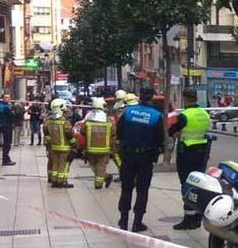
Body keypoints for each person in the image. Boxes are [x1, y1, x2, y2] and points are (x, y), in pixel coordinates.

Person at [116, 87, 164, 232]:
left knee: (126, 188)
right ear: (152, 97)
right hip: (146, 157)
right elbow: (159, 139)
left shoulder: (128, 112)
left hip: (128, 155)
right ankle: (137, 222)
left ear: (139, 97)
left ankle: (123, 220)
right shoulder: (156, 116)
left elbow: (119, 133)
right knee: (142, 190)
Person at [168, 89, 211, 230]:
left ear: (185, 98)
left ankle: (188, 219)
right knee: (199, 184)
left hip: (186, 153)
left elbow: (171, 130)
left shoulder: (185, 116)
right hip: (202, 153)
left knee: (187, 185)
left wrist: (175, 132)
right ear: (196, 98)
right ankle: (198, 216)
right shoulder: (205, 113)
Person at [83, 97, 115, 190]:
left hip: (90, 148)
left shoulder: (88, 121)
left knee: (93, 165)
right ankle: (102, 180)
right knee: (100, 166)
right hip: (104, 149)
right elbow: (113, 133)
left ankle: (99, 183)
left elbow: (82, 131)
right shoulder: (108, 121)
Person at [44, 98, 74, 188]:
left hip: (54, 147)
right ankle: (62, 182)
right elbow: (69, 134)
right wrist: (75, 144)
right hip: (64, 147)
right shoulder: (65, 121)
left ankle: (54, 181)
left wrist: (50, 143)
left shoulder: (48, 120)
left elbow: (46, 132)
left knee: (55, 164)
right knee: (63, 165)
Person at [0, 94, 15, 166]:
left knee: (7, 143)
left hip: (3, 125)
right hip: (7, 126)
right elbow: (12, 116)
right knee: (7, 143)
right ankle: (6, 160)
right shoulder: (6, 107)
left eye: (9, 98)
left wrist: (0, 122)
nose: (8, 99)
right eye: (6, 98)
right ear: (2, 99)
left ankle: (6, 159)